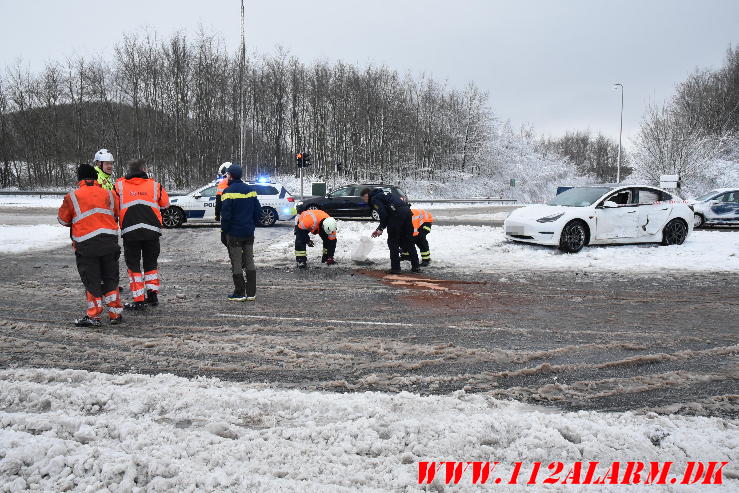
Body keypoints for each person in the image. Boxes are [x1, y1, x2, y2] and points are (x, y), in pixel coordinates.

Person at [58, 164, 124, 327]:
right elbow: (117, 212)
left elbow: (63, 220)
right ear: (95, 177)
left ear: (79, 179)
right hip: (109, 242)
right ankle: (115, 314)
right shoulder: (109, 193)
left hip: (86, 245)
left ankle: (94, 317)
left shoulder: (72, 196)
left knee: (92, 280)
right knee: (111, 279)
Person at [115, 159, 170, 310]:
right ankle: (153, 295)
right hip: (152, 231)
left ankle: (139, 299)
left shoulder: (118, 185)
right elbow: (165, 204)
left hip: (130, 231)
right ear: (144, 169)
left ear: (129, 170)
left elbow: (113, 207)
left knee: (133, 265)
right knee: (151, 264)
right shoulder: (155, 185)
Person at [221, 164, 261, 301]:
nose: (226, 177)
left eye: (227, 174)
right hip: (249, 232)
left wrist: (223, 231)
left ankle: (239, 293)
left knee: (237, 262)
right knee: (249, 261)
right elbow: (258, 211)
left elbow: (226, 216)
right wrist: (251, 225)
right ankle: (251, 293)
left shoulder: (228, 192)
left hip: (234, 233)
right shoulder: (251, 190)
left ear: (230, 175)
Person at [360, 187, 420, 274]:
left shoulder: (374, 198)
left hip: (396, 215)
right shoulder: (385, 194)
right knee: (409, 240)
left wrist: (380, 228)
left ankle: (395, 268)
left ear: (367, 195)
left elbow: (384, 214)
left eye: (364, 199)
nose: (365, 201)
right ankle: (416, 266)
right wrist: (380, 228)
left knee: (393, 242)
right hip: (407, 213)